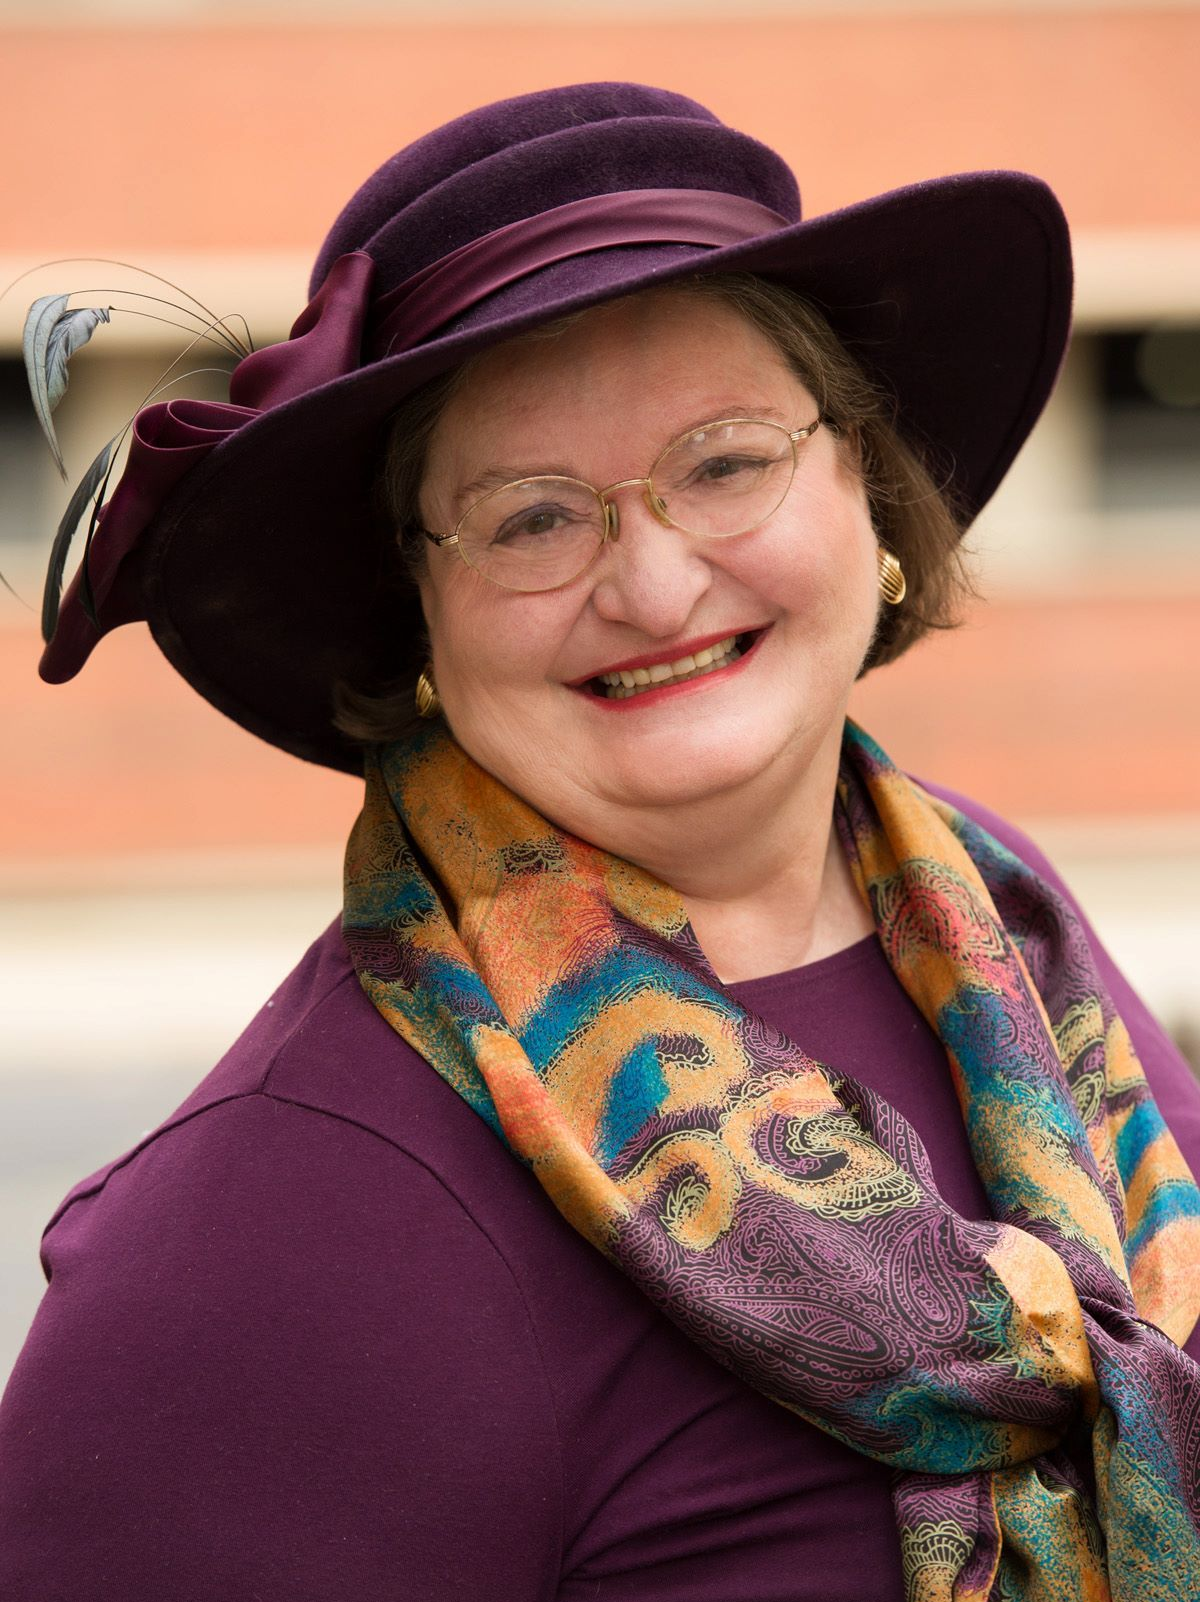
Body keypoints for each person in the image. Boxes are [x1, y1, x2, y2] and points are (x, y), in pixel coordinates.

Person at [2, 82, 1198, 1602]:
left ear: (865, 485)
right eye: (529, 518)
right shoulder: (260, 1255)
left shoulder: (1008, 927)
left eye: (725, 459)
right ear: (416, 611)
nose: (651, 582)